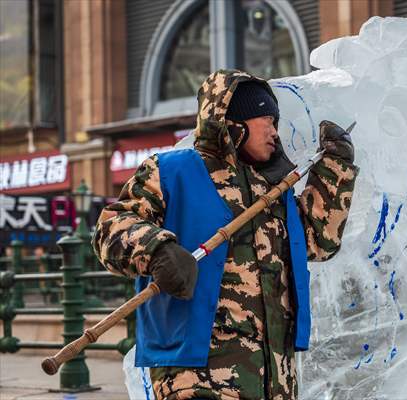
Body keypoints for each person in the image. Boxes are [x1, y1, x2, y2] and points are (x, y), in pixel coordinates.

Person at [92, 69, 358, 400]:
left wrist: (336, 169)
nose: (275, 131)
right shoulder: (172, 171)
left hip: (275, 379)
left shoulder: (273, 189)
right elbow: (110, 227)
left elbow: (318, 244)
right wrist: (157, 250)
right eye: (268, 120)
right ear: (235, 122)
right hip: (198, 376)